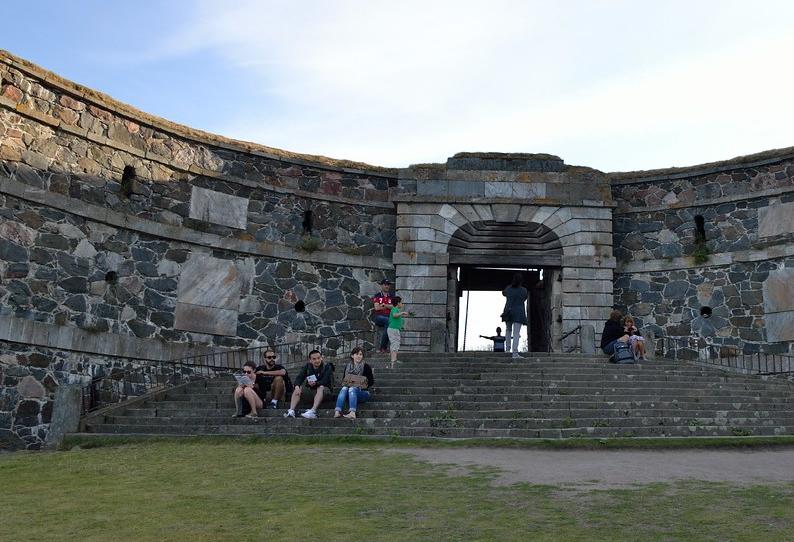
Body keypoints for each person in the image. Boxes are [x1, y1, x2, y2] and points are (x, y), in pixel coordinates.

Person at [284, 349, 334, 419]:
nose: (317, 361)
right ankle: (291, 411)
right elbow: (299, 378)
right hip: (311, 390)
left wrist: (316, 383)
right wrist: (297, 386)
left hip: (325, 391)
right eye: (314, 359)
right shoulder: (307, 366)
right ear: (310, 360)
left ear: (321, 358)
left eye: (318, 358)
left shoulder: (327, 367)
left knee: (321, 387)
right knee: (298, 387)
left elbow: (325, 381)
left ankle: (313, 411)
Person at [334, 347, 376, 419]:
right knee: (344, 388)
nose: (359, 356)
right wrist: (356, 381)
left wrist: (358, 383)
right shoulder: (348, 366)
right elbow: (344, 381)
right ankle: (337, 411)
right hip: (349, 394)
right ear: (352, 356)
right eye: (357, 354)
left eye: (361, 354)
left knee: (352, 388)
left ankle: (352, 413)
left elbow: (371, 382)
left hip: (362, 393)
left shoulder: (366, 366)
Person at [501, 273, 528, 359]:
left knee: (508, 330)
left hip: (508, 310)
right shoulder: (524, 290)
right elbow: (524, 298)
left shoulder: (508, 288)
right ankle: (515, 353)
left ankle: (507, 349)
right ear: (521, 281)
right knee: (516, 333)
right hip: (519, 312)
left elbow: (503, 293)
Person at [371, 279, 395, 353]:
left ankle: (383, 348)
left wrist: (384, 305)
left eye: (388, 284)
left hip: (389, 317)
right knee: (388, 321)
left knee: (388, 324)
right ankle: (383, 347)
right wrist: (389, 306)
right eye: (385, 284)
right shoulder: (377, 295)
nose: (387, 286)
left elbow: (394, 307)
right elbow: (377, 308)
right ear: (381, 285)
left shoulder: (392, 296)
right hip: (379, 317)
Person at [387, 296, 411, 368]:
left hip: (395, 329)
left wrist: (402, 326)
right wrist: (402, 313)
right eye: (401, 302)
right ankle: (393, 361)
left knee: (396, 344)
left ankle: (394, 360)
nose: (402, 304)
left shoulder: (396, 310)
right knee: (395, 344)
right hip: (393, 329)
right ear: (398, 303)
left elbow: (396, 320)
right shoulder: (394, 309)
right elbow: (394, 316)